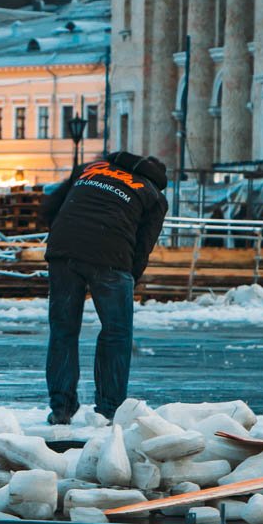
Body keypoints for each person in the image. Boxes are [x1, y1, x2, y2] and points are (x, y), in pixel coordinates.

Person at [40, 151, 168, 424]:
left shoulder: (91, 168)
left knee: (63, 330)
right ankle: (109, 408)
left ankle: (61, 408)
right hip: (111, 257)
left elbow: (50, 207)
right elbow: (144, 246)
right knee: (116, 333)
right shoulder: (154, 195)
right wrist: (129, 277)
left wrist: (65, 240)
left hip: (64, 251)